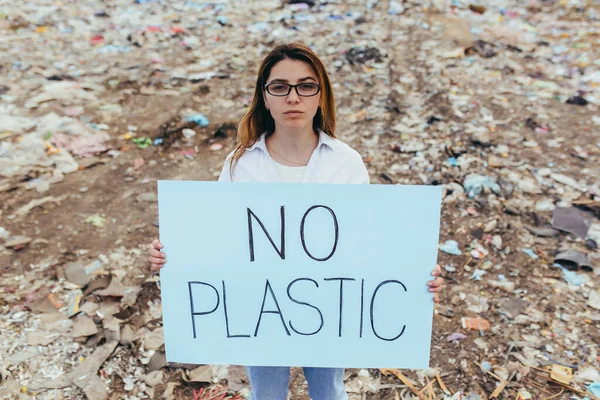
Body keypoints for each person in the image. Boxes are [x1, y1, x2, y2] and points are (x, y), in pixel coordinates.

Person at [148, 42, 444, 400]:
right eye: (280, 87)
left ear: (321, 95)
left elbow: (369, 245)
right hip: (260, 309)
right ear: (265, 97)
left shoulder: (346, 163)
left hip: (330, 309)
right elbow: (218, 238)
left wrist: (416, 278)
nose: (293, 97)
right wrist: (173, 258)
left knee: (329, 392)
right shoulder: (240, 164)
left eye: (306, 86)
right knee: (267, 393)